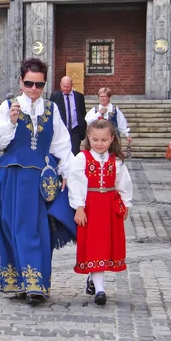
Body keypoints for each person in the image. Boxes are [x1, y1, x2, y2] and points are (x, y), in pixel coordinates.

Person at [0, 58, 75, 304]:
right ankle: (20, 282)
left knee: (38, 230)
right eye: (29, 83)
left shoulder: (51, 109)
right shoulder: (7, 107)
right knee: (12, 228)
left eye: (39, 85)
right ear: (20, 82)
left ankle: (36, 284)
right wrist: (11, 122)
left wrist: (66, 173)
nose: (33, 89)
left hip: (41, 182)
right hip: (13, 177)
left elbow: (62, 144)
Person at [68, 119, 133, 305]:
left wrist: (125, 204)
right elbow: (75, 183)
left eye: (104, 140)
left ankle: (95, 280)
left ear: (112, 139)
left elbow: (124, 183)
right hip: (91, 206)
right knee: (94, 245)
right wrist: (79, 207)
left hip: (110, 207)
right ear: (88, 137)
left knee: (105, 245)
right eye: (95, 139)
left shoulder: (117, 161)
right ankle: (100, 289)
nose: (99, 143)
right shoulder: (82, 158)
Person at [50, 76, 86, 155]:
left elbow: (82, 112)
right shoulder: (55, 96)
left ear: (72, 85)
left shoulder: (79, 96)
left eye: (68, 87)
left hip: (74, 129)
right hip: (61, 130)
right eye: (64, 87)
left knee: (74, 152)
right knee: (61, 152)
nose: (66, 89)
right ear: (60, 85)